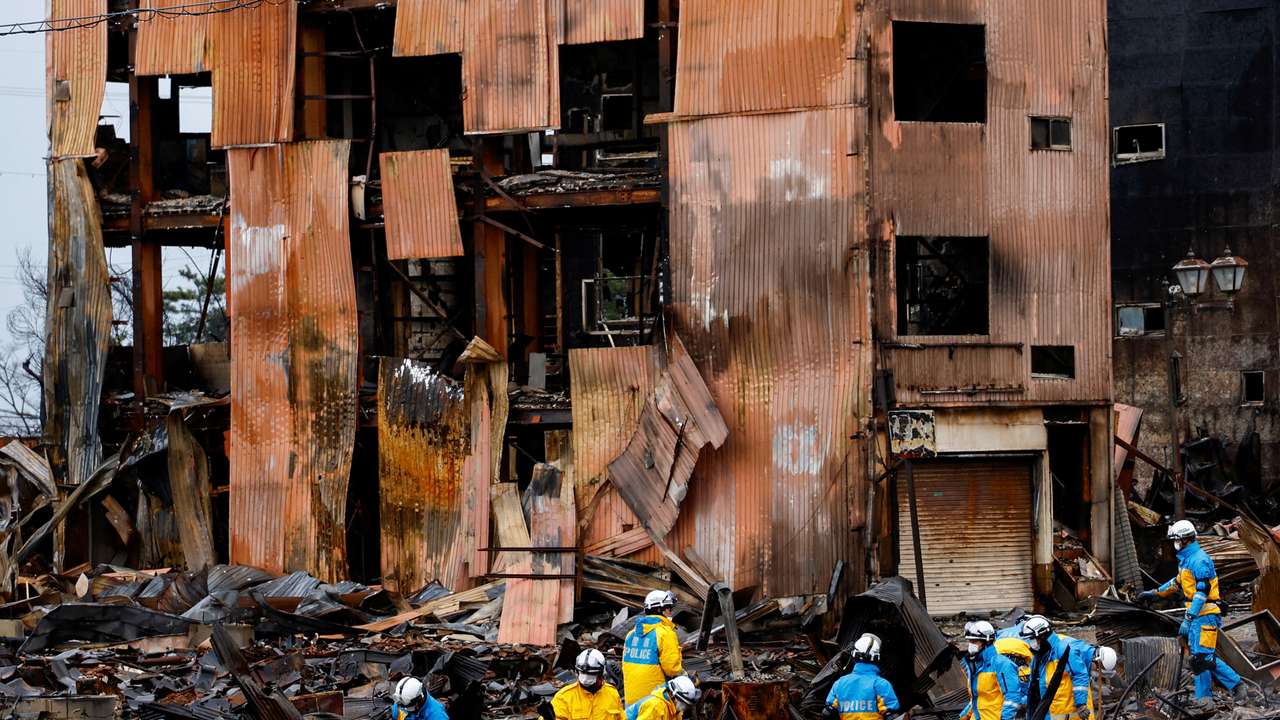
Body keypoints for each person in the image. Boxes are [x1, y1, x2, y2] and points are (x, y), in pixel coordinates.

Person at [1138, 519, 1247, 705]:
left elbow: (1201, 593)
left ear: (1186, 540)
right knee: (1199, 658)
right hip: (1197, 616)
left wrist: (1188, 619)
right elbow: (1177, 583)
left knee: (1202, 658)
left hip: (1205, 615)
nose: (1174, 544)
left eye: (1176, 540)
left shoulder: (1200, 560)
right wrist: (1155, 593)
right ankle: (1209, 696)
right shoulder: (1187, 560)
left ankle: (1229, 688)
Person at [1020, 616, 1092, 720]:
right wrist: (1023, 703)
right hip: (1048, 714)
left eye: (1031, 638)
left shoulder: (1064, 649)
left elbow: (1079, 675)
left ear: (1041, 636)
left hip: (1067, 715)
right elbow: (1035, 687)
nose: (1030, 642)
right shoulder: (1039, 656)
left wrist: (1081, 704)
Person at [622, 590, 684, 706]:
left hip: (632, 702)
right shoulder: (665, 634)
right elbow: (672, 669)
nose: (671, 613)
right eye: (669, 609)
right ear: (661, 610)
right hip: (655, 702)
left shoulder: (631, 634)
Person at [824, 633, 901, 720]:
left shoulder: (840, 683)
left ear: (853, 655)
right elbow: (891, 716)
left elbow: (828, 713)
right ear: (877, 658)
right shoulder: (881, 685)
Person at [958, 621, 1024, 720]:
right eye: (970, 641)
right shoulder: (975, 665)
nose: (971, 645)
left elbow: (1013, 697)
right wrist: (962, 716)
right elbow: (976, 700)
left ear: (987, 642)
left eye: (974, 641)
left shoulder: (1002, 664)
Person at [553, 649, 623, 720]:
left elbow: (621, 717)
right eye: (583, 673)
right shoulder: (563, 697)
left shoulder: (612, 693)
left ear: (601, 674)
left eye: (591, 674)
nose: (585, 679)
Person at [624, 676, 700, 720]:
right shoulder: (656, 707)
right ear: (673, 695)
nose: (684, 708)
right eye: (684, 704)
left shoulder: (673, 708)